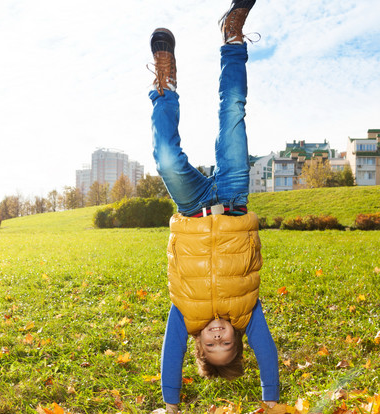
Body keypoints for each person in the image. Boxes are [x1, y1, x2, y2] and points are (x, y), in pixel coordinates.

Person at [148, 1, 285, 413]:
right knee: (232, 112)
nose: (219, 335)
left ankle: (164, 85)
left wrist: (171, 406)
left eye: (212, 344)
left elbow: (170, 359)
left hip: (191, 208)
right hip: (234, 197)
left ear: (199, 344)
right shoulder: (247, 313)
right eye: (227, 342)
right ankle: (233, 37)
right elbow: (269, 355)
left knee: (167, 159)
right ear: (239, 339)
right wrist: (272, 402)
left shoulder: (184, 315)